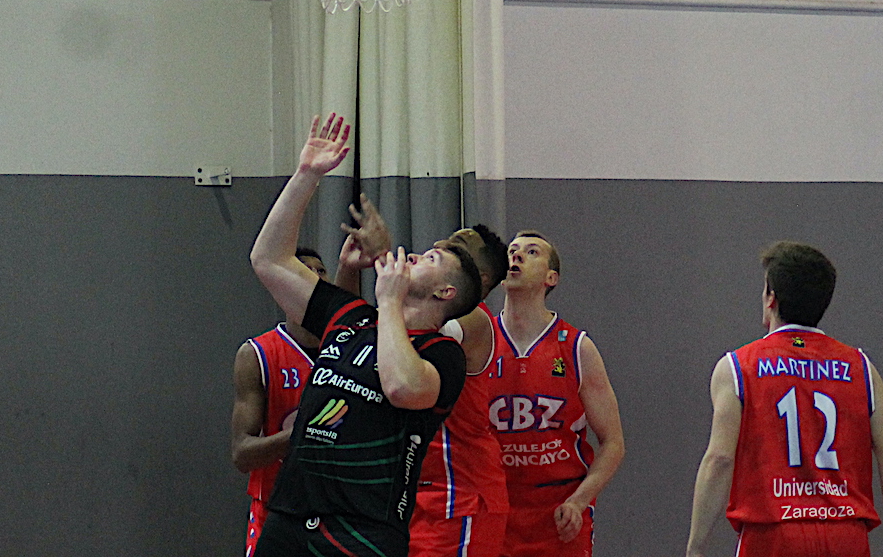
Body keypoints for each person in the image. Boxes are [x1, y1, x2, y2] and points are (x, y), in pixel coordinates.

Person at [249, 114, 485, 557]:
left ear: (445, 292)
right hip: (290, 518)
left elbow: (399, 386)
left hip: (361, 534)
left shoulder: (443, 355)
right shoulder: (351, 315)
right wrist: (307, 175)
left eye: (431, 258)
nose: (414, 254)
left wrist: (391, 302)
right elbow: (268, 260)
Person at [685, 241, 883, 557]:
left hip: (774, 534)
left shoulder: (737, 367)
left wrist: (695, 548)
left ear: (770, 298)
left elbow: (719, 459)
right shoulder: (861, 368)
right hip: (845, 535)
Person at [333, 197, 512, 557]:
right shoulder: (399, 315)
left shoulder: (474, 322)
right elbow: (353, 325)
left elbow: (414, 321)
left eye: (453, 251)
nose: (438, 249)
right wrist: (351, 267)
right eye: (439, 247)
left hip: (458, 496)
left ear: (478, 279)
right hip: (408, 493)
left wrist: (383, 254)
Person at [490, 230, 625, 557]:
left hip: (558, 511)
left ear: (552, 278)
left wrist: (579, 502)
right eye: (512, 250)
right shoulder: (480, 341)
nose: (516, 256)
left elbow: (613, 443)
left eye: (532, 252)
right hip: (494, 508)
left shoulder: (577, 347)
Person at [232, 248, 331, 557]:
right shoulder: (256, 355)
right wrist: (304, 433)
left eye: (321, 270)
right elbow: (242, 453)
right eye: (304, 270)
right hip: (277, 512)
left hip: (338, 513)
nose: (314, 276)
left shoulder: (353, 349)